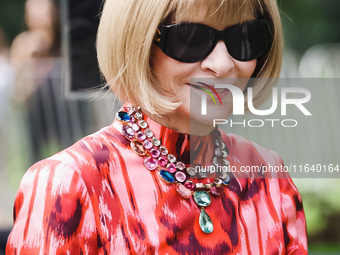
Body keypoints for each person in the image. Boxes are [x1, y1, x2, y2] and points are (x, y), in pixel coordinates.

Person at [6, 0, 308, 254]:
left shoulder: (269, 175)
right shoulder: (71, 184)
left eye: (246, 37)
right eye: (190, 38)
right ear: (136, 40)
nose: (222, 65)